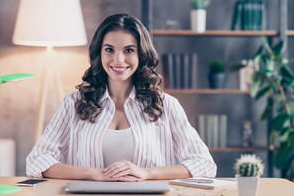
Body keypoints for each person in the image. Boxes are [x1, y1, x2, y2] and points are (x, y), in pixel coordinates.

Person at [26, 13, 216, 181]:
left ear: (141, 55)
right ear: (98, 53)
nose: (118, 59)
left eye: (128, 50)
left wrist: (146, 173)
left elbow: (204, 164)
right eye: (109, 49)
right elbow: (37, 160)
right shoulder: (74, 104)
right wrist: (95, 174)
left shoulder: (166, 105)